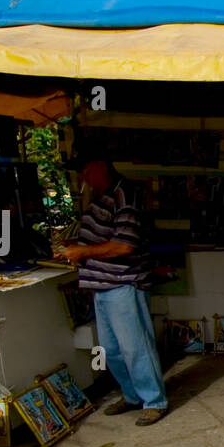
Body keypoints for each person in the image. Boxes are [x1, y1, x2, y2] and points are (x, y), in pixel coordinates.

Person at [55, 151, 168, 426]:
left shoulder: (124, 195)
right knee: (112, 350)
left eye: (85, 171)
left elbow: (124, 245)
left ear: (99, 166)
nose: (82, 178)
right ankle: (132, 396)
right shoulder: (103, 196)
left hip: (124, 283)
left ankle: (154, 401)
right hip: (104, 286)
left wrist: (83, 252)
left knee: (136, 347)